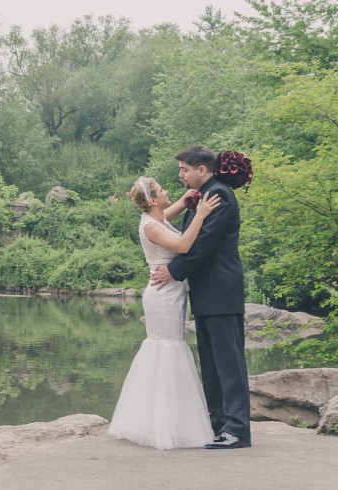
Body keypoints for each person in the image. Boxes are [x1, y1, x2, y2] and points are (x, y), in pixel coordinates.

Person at [150, 145, 251, 449]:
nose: (180, 174)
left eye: (184, 169)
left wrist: (174, 271)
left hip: (222, 290)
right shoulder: (202, 196)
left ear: (202, 170)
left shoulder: (219, 195)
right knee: (211, 362)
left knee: (229, 363)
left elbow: (204, 244)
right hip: (206, 292)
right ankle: (218, 424)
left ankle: (237, 431)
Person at [108, 176, 221, 449]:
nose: (167, 190)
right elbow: (183, 246)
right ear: (154, 199)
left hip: (171, 292)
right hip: (163, 296)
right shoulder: (151, 227)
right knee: (168, 348)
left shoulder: (156, 217)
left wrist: (191, 196)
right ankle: (165, 424)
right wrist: (202, 214)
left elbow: (174, 209)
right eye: (161, 190)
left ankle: (167, 419)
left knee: (166, 348)